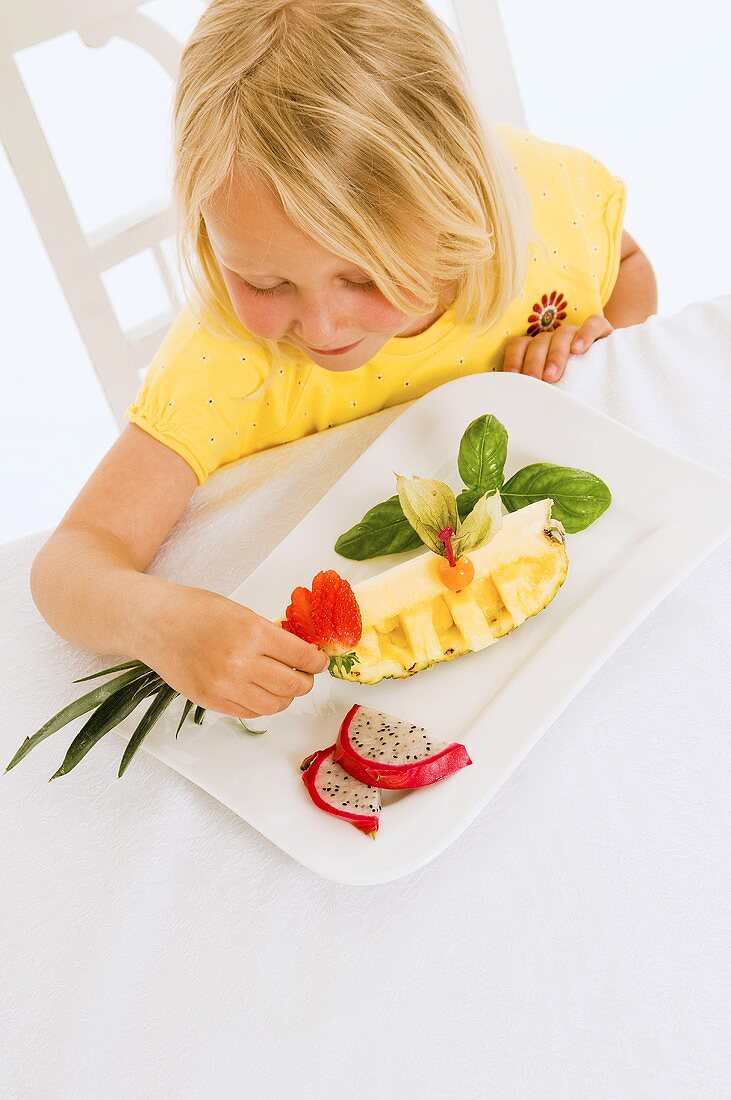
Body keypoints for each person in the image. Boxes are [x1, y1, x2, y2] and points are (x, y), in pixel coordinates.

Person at [30, 0, 657, 723]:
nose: (321, 325)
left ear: (457, 201)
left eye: (363, 276)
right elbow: (71, 559)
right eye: (264, 283)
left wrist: (603, 335)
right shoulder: (230, 359)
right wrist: (158, 620)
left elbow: (627, 264)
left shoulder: (544, 206)